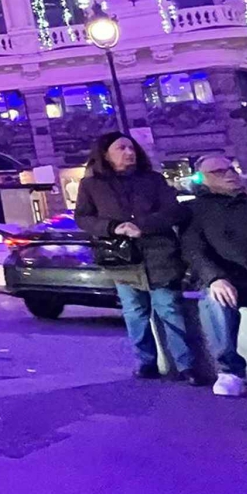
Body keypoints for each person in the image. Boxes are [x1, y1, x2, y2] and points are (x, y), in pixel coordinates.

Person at [74, 132, 208, 384]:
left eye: (131, 147)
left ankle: (186, 365)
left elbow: (175, 211)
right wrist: (114, 227)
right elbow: (83, 217)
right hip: (122, 258)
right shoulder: (92, 185)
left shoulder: (153, 180)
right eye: (121, 148)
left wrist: (142, 225)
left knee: (169, 309)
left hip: (160, 255)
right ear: (105, 154)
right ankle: (146, 362)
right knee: (134, 312)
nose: (129, 152)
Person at [181, 154, 247, 406]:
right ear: (204, 180)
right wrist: (214, 277)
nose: (230, 174)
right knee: (215, 301)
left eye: (231, 169)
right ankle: (230, 370)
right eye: (219, 172)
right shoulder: (195, 211)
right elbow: (194, 250)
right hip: (231, 282)